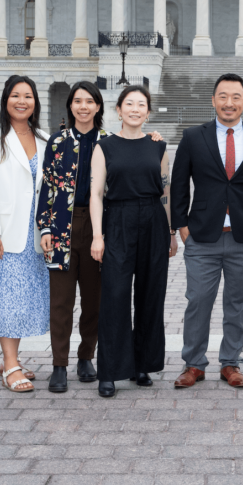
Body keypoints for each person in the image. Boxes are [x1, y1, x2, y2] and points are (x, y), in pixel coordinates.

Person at [171, 73, 243, 389]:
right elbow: (179, 185)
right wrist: (182, 227)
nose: (228, 103)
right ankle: (194, 364)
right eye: (222, 96)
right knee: (198, 301)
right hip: (202, 236)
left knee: (238, 303)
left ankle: (231, 363)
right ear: (213, 100)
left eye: (235, 97)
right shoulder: (193, 137)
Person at [91, 86, 177, 398]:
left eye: (142, 104)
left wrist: (169, 232)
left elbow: (165, 192)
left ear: (148, 112)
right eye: (130, 104)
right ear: (118, 109)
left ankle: (143, 364)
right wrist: (97, 236)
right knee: (114, 296)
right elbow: (96, 194)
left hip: (153, 220)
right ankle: (110, 371)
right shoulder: (105, 147)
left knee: (151, 295)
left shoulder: (158, 146)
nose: (136, 109)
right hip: (118, 222)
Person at [0, 75, 50, 393]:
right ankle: (11, 365)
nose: (22, 101)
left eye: (28, 96)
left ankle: (10, 359)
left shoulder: (44, 137)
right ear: (5, 99)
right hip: (3, 233)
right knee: (7, 300)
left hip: (33, 233)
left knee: (22, 299)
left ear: (35, 102)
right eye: (16, 95)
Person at [36, 81, 108, 394]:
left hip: (97, 229)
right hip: (63, 227)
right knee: (61, 301)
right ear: (70, 106)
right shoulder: (58, 142)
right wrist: (46, 228)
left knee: (94, 300)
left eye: (89, 101)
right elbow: (47, 189)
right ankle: (59, 365)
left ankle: (85, 357)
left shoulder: (110, 141)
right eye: (77, 101)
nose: (83, 107)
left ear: (98, 106)